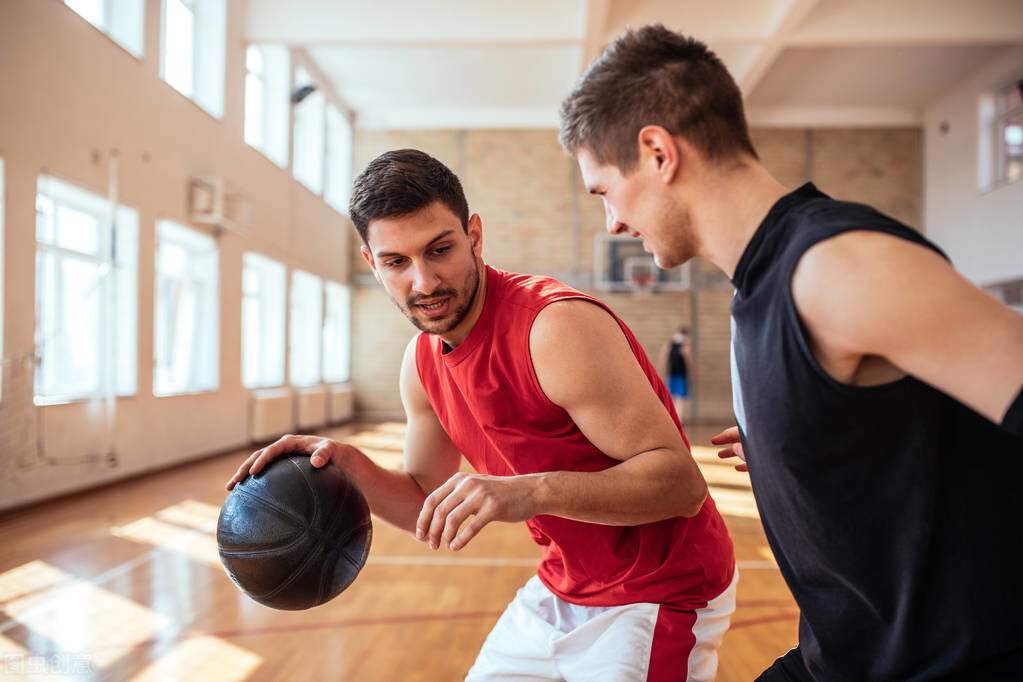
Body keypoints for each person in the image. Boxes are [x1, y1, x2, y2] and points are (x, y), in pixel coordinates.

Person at [558, 23, 1023, 681]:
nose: (611, 224)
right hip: (842, 657)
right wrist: (806, 442)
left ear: (657, 152)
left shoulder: (834, 267)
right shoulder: (759, 287)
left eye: (603, 190)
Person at [227, 149, 737, 681]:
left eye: (440, 249)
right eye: (396, 262)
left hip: (662, 589)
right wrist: (352, 468)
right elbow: (427, 505)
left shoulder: (554, 329)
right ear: (371, 263)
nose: (424, 282)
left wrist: (530, 492)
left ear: (474, 234)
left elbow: (682, 486)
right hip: (565, 583)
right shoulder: (422, 365)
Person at [661, 327, 692, 421]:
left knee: (676, 398)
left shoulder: (671, 345)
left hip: (676, 374)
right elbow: (689, 362)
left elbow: (664, 358)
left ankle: (677, 418)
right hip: (678, 375)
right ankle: (677, 418)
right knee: (678, 398)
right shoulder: (682, 347)